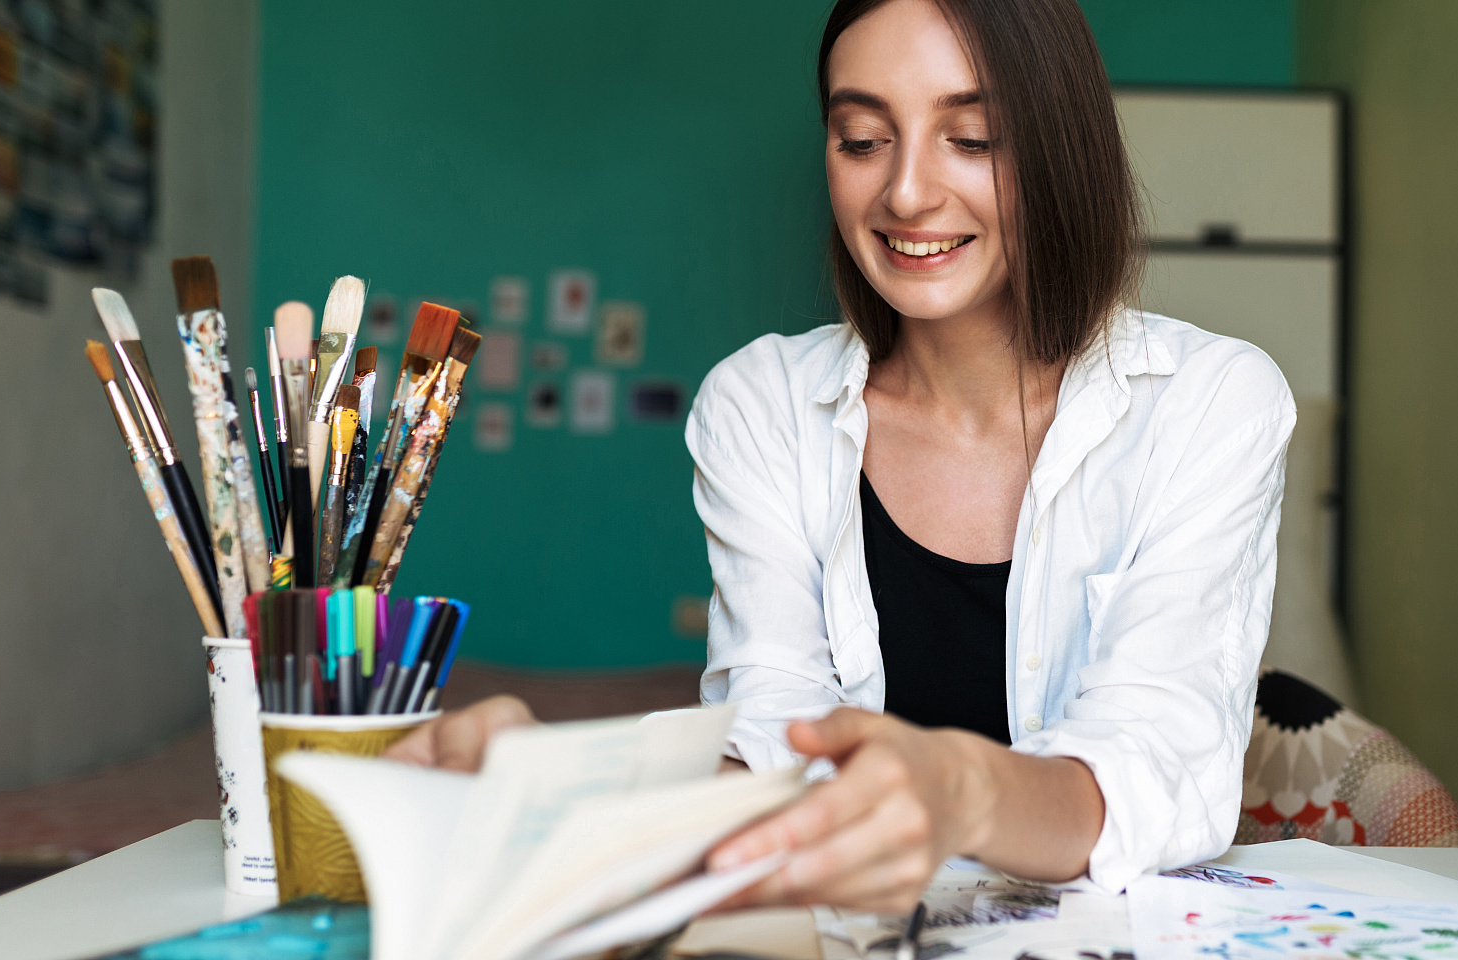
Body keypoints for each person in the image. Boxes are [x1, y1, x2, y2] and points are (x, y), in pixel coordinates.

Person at [387, 0, 1294, 912]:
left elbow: (1153, 762)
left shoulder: (1210, 403)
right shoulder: (763, 406)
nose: (905, 193)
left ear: (1062, 148)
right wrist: (563, 779)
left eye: (970, 138)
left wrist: (958, 789)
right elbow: (775, 739)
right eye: (862, 139)